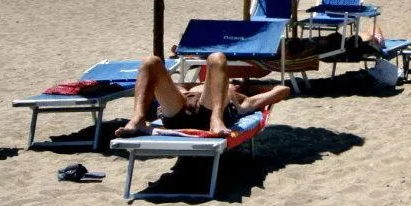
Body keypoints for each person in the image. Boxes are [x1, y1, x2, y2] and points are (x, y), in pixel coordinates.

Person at [113, 53, 290, 139]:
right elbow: (166, 86)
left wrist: (250, 90)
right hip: (178, 112)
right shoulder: (196, 87)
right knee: (150, 62)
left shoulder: (243, 101)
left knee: (217, 57)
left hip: (209, 114)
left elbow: (283, 90)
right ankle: (138, 118)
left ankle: (216, 119)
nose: (234, 83)